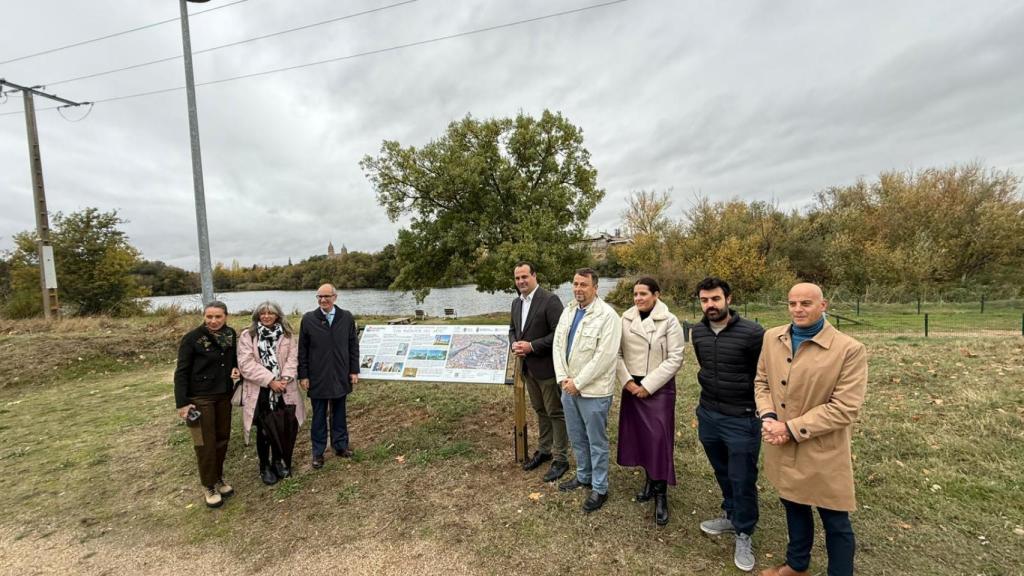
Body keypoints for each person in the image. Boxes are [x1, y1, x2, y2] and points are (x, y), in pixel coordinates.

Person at [755, 283, 867, 576]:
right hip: (781, 442)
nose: (798, 309)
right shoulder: (772, 337)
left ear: (823, 305)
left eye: (806, 303)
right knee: (793, 504)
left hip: (822, 449)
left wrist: (789, 428)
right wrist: (768, 417)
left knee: (835, 520)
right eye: (792, 303)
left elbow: (845, 407)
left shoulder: (849, 349)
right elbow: (762, 382)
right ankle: (796, 564)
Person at [690, 277, 765, 572]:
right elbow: (705, 366)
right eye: (704, 300)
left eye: (715, 299)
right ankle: (731, 514)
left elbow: (763, 375)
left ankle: (744, 531)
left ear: (728, 299)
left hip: (742, 417)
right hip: (709, 414)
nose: (710, 305)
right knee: (722, 470)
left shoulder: (753, 334)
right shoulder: (698, 332)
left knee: (742, 476)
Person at [615, 277, 684, 526]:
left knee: (658, 439)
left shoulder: (670, 321)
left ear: (656, 295)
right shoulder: (625, 319)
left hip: (658, 388)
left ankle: (661, 493)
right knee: (640, 437)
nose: (638, 298)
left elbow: (675, 358)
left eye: (643, 294)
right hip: (632, 388)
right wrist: (627, 382)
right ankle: (648, 480)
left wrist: (648, 386)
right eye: (635, 294)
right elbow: (617, 353)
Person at [552, 268, 622, 513]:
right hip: (568, 388)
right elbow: (558, 345)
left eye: (583, 284)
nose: (578, 288)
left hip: (594, 392)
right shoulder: (568, 311)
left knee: (596, 441)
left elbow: (604, 357)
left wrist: (578, 383)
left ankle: (600, 487)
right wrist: (563, 378)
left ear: (595, 288)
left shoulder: (608, 316)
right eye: (575, 283)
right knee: (577, 437)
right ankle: (583, 476)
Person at [173, 300, 239, 508]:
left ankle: (218, 477)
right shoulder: (192, 338)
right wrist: (182, 403)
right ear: (204, 316)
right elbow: (181, 372)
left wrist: (236, 369)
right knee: (205, 443)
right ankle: (208, 485)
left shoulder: (230, 334)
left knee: (222, 438)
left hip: (224, 395)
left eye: (218, 316)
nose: (213, 320)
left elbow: (232, 359)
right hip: (200, 397)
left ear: (226, 316)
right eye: (209, 316)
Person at [509, 261, 569, 482]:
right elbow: (513, 330)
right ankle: (545, 450)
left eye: (524, 276)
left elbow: (559, 334)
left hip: (548, 368)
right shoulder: (516, 302)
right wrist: (514, 343)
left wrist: (532, 346)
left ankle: (561, 458)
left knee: (555, 412)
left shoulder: (550, 300)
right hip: (528, 369)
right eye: (517, 278)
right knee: (540, 410)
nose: (521, 281)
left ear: (534, 276)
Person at [237, 301, 307, 485]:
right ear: (257, 315)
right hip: (261, 390)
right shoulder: (248, 335)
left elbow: (293, 358)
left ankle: (277, 460)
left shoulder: (287, 335)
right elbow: (246, 364)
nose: (266, 316)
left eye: (271, 313)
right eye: (263, 313)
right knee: (264, 429)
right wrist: (270, 381)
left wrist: (285, 378)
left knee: (281, 425)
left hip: (284, 388)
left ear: (278, 315)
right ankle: (264, 466)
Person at [299, 284, 360, 470]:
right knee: (319, 416)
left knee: (339, 413)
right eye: (319, 296)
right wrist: (303, 375)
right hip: (318, 376)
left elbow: (353, 345)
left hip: (341, 373)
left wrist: (354, 370)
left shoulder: (346, 317)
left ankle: (340, 446)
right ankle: (318, 452)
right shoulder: (308, 319)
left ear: (335, 297)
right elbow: (302, 350)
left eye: (326, 296)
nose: (323, 300)